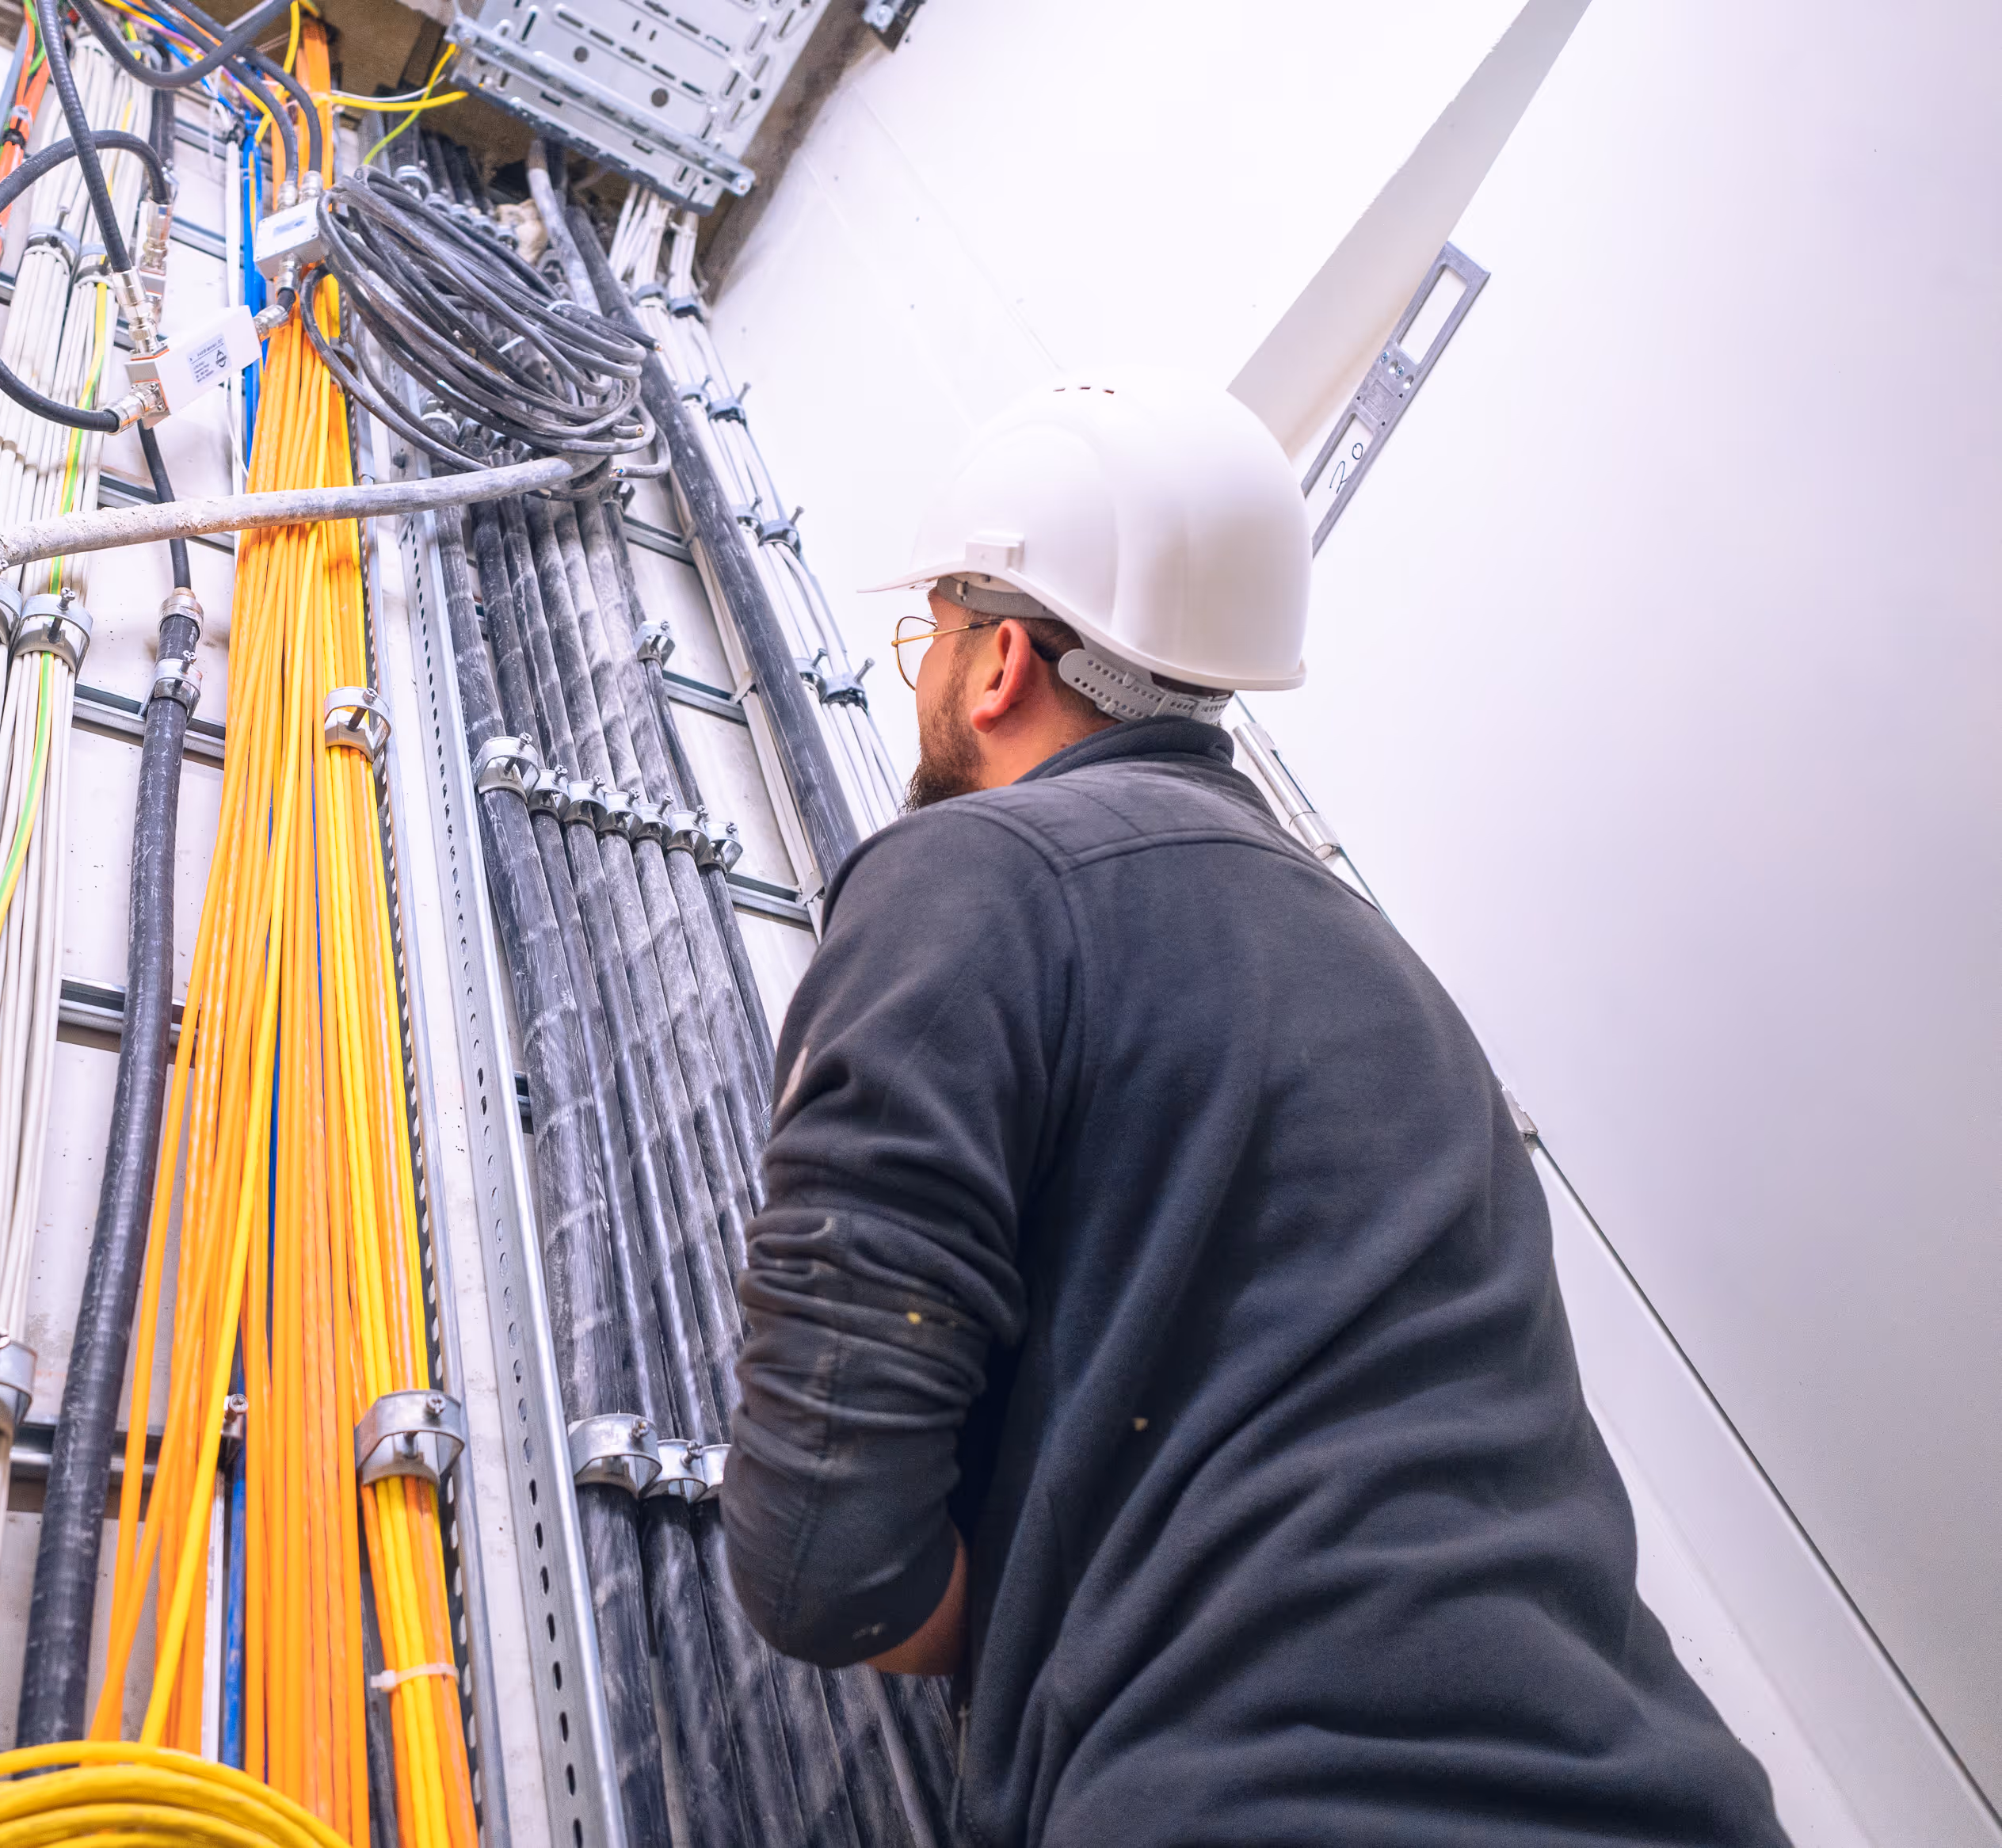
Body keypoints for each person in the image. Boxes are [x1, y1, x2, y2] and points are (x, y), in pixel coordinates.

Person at [719, 372, 1789, 1846]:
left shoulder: (977, 870)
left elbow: (824, 1557)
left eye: (933, 637)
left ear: (999, 661)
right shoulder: (1404, 993)